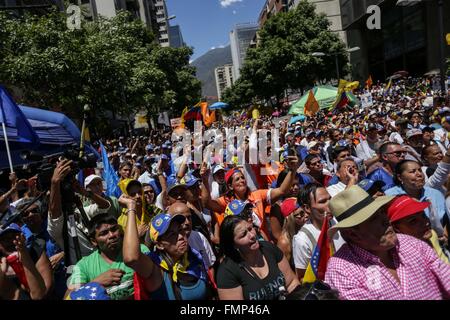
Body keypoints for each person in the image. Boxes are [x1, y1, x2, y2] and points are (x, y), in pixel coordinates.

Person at [324, 185, 450, 300]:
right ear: (352, 234)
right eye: (373, 218)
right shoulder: (342, 269)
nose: (385, 220)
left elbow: (446, 277)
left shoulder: (411, 244)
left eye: (382, 212)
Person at [123, 199, 210, 300]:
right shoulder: (155, 269)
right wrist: (131, 208)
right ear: (160, 245)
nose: (181, 236)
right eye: (172, 234)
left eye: (180, 230)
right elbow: (131, 258)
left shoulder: (194, 257)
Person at [200, 155, 300, 242]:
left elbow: (282, 190)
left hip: (263, 242)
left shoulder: (258, 195)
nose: (242, 181)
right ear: (230, 186)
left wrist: (293, 170)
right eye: (237, 179)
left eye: (242, 178)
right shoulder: (226, 201)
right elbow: (207, 203)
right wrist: (204, 180)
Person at [216, 215, 300, 300]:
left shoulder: (269, 249)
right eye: (243, 235)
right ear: (234, 245)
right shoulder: (227, 272)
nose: (252, 235)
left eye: (250, 229)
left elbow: (292, 283)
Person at [66, 214, 149, 300]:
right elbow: (68, 296)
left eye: (114, 229)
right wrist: (96, 283)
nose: (111, 235)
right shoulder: (83, 265)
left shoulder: (139, 251)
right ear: (94, 241)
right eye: (104, 233)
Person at [292, 183, 345, 281]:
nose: (330, 204)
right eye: (323, 201)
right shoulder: (302, 240)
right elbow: (302, 277)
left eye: (330, 198)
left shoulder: (338, 222)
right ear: (307, 208)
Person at [385, 160, 449, 237]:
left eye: (420, 170)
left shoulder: (436, 194)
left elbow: (446, 220)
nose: (419, 174)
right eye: (413, 171)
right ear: (400, 177)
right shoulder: (389, 197)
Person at [386, 195, 449, 263]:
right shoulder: (403, 256)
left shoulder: (432, 235)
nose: (426, 222)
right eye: (413, 221)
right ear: (396, 228)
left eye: (423, 215)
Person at [0, 224, 51, 299]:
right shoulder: (3, 267)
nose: (11, 242)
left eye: (14, 236)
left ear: (23, 237)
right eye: (5, 239)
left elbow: (42, 293)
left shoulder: (34, 252)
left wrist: (24, 254)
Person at [277, 198, 308, 269]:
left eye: (306, 210)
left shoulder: (305, 229)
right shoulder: (284, 242)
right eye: (301, 213)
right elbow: (284, 270)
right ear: (290, 218)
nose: (306, 215)